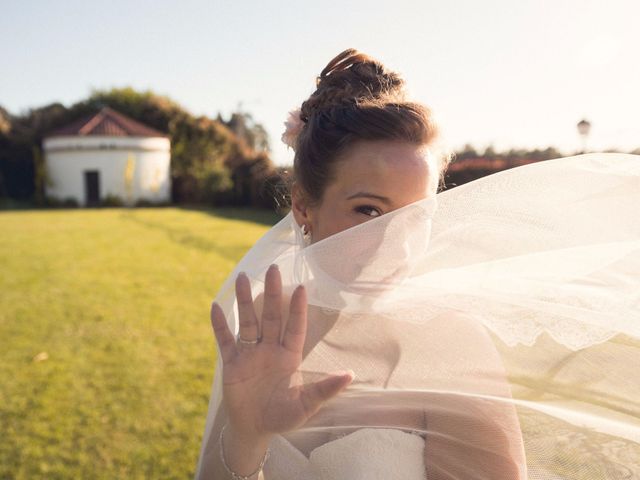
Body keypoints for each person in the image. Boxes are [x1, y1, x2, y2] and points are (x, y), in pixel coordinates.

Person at [195, 49, 640, 480]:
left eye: (416, 216)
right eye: (368, 211)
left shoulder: (450, 344)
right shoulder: (263, 327)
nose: (395, 245)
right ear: (303, 207)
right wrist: (246, 437)